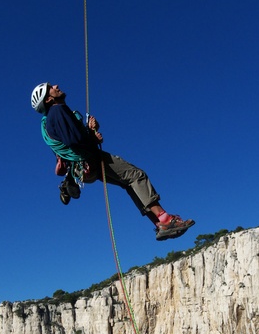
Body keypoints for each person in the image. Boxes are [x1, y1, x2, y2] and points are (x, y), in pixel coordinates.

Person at [31, 82, 195, 241]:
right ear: (48, 99)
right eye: (51, 88)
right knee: (136, 176)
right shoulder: (58, 111)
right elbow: (74, 140)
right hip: (90, 160)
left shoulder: (50, 120)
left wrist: (89, 132)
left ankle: (160, 224)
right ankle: (165, 219)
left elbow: (69, 142)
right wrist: (92, 136)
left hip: (83, 169)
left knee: (128, 183)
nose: (56, 87)